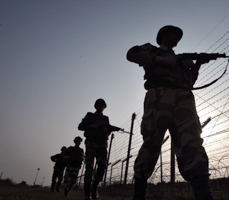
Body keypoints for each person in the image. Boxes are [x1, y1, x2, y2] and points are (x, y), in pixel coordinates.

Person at [126, 25, 214, 200]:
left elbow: (190, 82)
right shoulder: (151, 49)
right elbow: (131, 54)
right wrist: (160, 60)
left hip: (184, 99)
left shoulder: (183, 60)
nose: (177, 37)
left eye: (178, 35)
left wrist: (197, 65)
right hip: (159, 95)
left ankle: (204, 195)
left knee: (192, 141)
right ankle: (139, 195)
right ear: (163, 35)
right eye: (174, 33)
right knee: (152, 142)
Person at [78, 98, 123, 200]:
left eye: (102, 105)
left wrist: (110, 130)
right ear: (96, 106)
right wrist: (90, 126)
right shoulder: (90, 115)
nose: (101, 106)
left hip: (102, 145)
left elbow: (106, 130)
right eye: (99, 104)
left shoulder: (105, 119)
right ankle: (87, 192)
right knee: (89, 168)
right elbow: (80, 126)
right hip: (91, 144)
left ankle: (94, 188)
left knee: (102, 166)